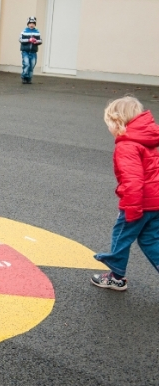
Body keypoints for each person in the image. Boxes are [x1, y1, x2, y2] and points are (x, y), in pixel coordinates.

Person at [92, 96, 159, 291]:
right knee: (150, 240)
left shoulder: (126, 145)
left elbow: (133, 180)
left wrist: (131, 208)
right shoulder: (149, 139)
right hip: (156, 201)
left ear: (117, 122)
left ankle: (116, 277)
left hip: (140, 203)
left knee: (121, 237)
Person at [19, 16, 42, 84]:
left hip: (33, 52)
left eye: (33, 23)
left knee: (32, 65)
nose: (31, 25)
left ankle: (29, 78)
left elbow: (40, 40)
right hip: (25, 51)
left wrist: (36, 41)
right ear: (28, 24)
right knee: (26, 64)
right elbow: (20, 39)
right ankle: (24, 77)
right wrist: (28, 40)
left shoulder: (37, 32)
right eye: (30, 23)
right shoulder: (24, 31)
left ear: (35, 24)